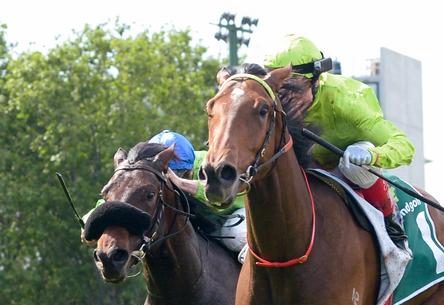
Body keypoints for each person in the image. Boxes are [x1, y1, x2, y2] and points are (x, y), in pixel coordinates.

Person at [263, 34, 415, 252]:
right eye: (280, 90)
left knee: (353, 164)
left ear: (315, 80)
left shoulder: (348, 101)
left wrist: (373, 156)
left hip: (350, 167)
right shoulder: (271, 103)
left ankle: (391, 221)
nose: (287, 100)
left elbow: (404, 146)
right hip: (307, 168)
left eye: (295, 89)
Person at [84, 130, 248, 263]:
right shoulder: (148, 172)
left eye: (180, 174)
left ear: (190, 170)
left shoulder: (213, 165)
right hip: (200, 228)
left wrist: (182, 183)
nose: (171, 185)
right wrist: (96, 218)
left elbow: (233, 192)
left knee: (235, 235)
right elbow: (124, 195)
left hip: (236, 216)